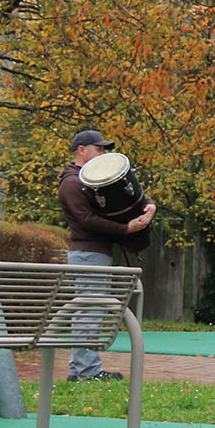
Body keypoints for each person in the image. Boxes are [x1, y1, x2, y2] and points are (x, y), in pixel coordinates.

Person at [56, 128, 156, 383]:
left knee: (91, 311)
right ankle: (85, 371)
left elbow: (123, 195)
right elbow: (87, 220)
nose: (103, 154)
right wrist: (126, 228)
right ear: (81, 150)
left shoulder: (89, 181)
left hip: (94, 254)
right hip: (87, 255)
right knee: (89, 312)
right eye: (98, 149)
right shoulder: (72, 183)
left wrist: (148, 205)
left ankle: (82, 369)